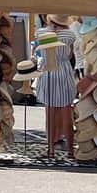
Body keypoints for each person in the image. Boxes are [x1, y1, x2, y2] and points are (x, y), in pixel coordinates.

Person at [34, 16, 77, 157]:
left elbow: (38, 51)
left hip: (48, 72)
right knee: (66, 112)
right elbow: (70, 55)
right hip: (64, 71)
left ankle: (50, 149)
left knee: (50, 112)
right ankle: (70, 149)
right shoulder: (69, 35)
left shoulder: (41, 33)